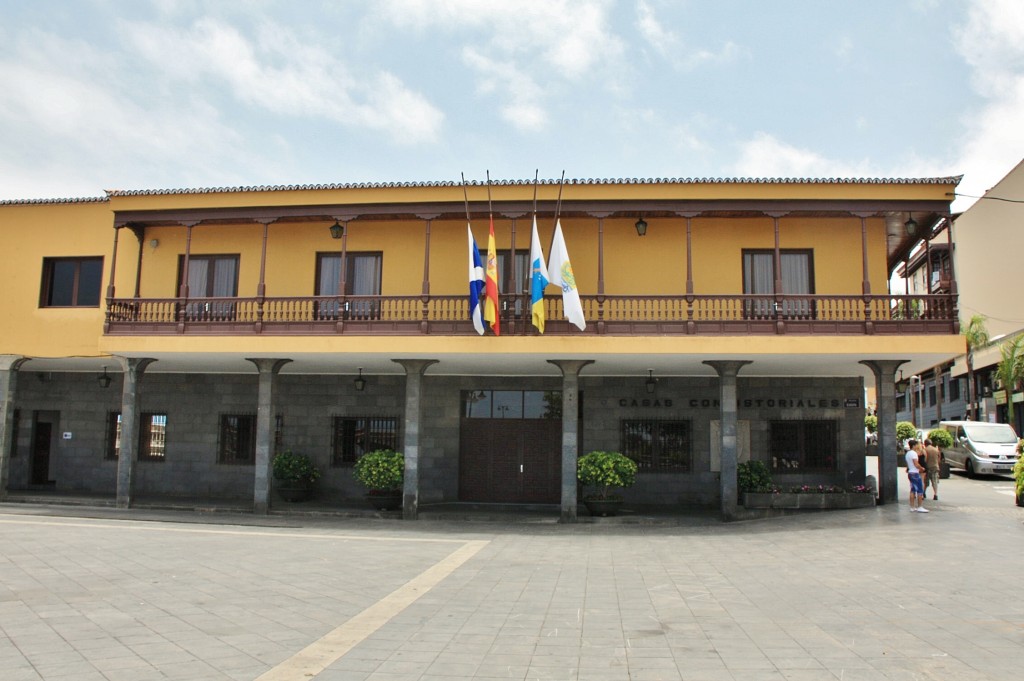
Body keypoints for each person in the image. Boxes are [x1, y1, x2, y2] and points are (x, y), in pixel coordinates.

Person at [905, 439, 928, 512]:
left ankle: (912, 507)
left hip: (910, 473)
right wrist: (921, 468)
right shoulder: (914, 454)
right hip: (915, 473)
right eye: (916, 445)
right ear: (914, 446)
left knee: (912, 490)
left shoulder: (908, 453)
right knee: (920, 490)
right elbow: (916, 463)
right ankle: (920, 506)